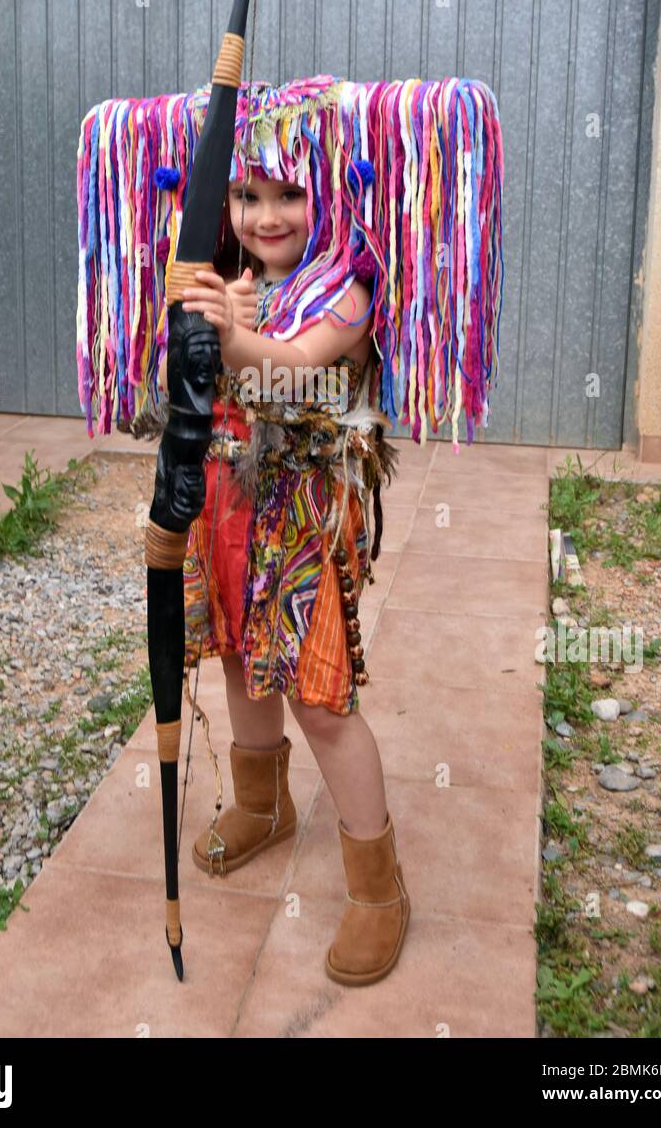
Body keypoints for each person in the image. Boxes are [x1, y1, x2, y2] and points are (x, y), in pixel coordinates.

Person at [159, 165, 410, 987]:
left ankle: (379, 890)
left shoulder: (346, 290)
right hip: (227, 509)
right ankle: (263, 804)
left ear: (333, 193)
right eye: (246, 197)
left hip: (301, 522)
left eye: (289, 195)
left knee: (317, 693)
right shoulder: (232, 282)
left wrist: (230, 339)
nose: (266, 216)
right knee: (239, 655)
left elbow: (291, 366)